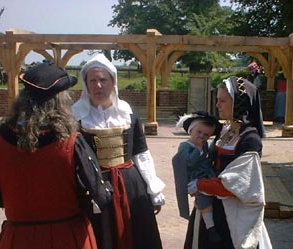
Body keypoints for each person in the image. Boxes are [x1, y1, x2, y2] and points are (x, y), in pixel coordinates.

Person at [0, 61, 113, 249]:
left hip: (17, 239)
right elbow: (100, 197)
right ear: (59, 101)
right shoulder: (72, 142)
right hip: (67, 237)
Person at [72, 53, 165, 249]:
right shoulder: (76, 116)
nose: (98, 85)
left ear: (113, 82)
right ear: (86, 83)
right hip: (96, 187)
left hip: (131, 185)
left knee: (138, 234)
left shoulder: (127, 111)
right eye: (93, 80)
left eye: (103, 80)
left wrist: (153, 189)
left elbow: (141, 152)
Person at [184, 76, 272, 249]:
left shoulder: (250, 140)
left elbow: (236, 184)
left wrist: (200, 184)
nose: (218, 105)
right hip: (210, 208)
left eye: (222, 101)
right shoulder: (225, 130)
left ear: (239, 104)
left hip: (233, 214)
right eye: (218, 100)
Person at [172, 111, 222, 243]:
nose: (202, 136)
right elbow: (189, 163)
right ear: (191, 130)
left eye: (206, 135)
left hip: (207, 173)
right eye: (199, 132)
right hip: (195, 178)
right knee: (204, 200)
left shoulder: (204, 144)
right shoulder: (185, 146)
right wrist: (198, 149)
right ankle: (210, 227)